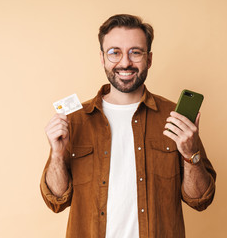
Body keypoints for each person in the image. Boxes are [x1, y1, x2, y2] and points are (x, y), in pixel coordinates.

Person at [40, 14, 216, 238]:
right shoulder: (75, 120)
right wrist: (56, 154)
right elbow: (55, 199)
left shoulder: (175, 118)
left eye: (135, 52)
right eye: (115, 52)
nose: (125, 62)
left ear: (149, 59)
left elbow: (201, 199)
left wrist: (191, 154)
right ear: (102, 59)